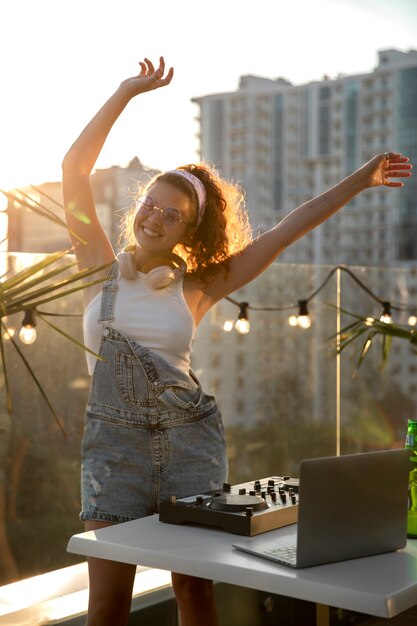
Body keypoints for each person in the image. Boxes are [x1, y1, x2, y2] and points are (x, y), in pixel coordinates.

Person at [62, 56, 412, 626]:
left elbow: (285, 231)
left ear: (188, 231)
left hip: (189, 448)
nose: (155, 216)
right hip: (113, 452)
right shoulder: (96, 263)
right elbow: (74, 170)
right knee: (106, 605)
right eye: (150, 203)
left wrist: (361, 178)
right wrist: (126, 91)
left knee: (195, 594)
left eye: (172, 215)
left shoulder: (199, 285)